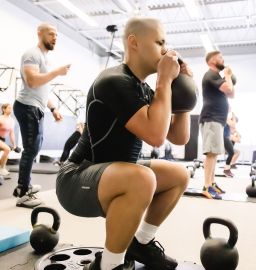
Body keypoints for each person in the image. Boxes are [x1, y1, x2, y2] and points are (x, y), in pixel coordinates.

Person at [56, 17, 192, 270]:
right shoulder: (114, 81)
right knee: (143, 178)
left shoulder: (144, 90)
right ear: (134, 42)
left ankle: (141, 243)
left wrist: (182, 94)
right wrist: (164, 81)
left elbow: (179, 137)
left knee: (178, 174)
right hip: (75, 179)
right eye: (160, 42)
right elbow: (156, 136)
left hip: (114, 174)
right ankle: (109, 265)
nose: (165, 50)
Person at [13, 23, 70, 208]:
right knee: (31, 149)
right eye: (51, 34)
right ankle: (23, 191)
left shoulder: (45, 59)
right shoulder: (32, 54)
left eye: (56, 35)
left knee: (34, 148)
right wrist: (57, 73)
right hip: (27, 106)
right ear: (40, 34)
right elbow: (32, 81)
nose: (55, 38)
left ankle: (24, 184)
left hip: (36, 107)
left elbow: (44, 88)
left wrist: (53, 109)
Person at [199, 50, 235, 199]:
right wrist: (227, 75)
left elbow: (232, 94)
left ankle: (212, 183)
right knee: (211, 153)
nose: (223, 60)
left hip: (217, 120)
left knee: (214, 154)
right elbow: (229, 88)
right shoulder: (210, 75)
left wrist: (229, 77)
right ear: (211, 61)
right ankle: (206, 186)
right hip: (211, 118)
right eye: (220, 57)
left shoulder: (217, 77)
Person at [0, 103, 17, 176]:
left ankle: (2, 168)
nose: (11, 109)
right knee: (7, 149)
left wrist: (14, 145)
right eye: (9, 108)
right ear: (4, 109)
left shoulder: (12, 120)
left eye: (11, 108)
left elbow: (11, 133)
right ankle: (1, 169)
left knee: (7, 151)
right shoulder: (0, 118)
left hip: (2, 139)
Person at [223, 111, 240, 176]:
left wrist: (236, 132)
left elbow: (239, 140)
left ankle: (227, 169)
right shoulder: (226, 117)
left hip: (225, 137)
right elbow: (233, 124)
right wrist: (233, 115)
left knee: (233, 152)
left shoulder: (230, 130)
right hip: (224, 137)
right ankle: (227, 169)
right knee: (232, 152)